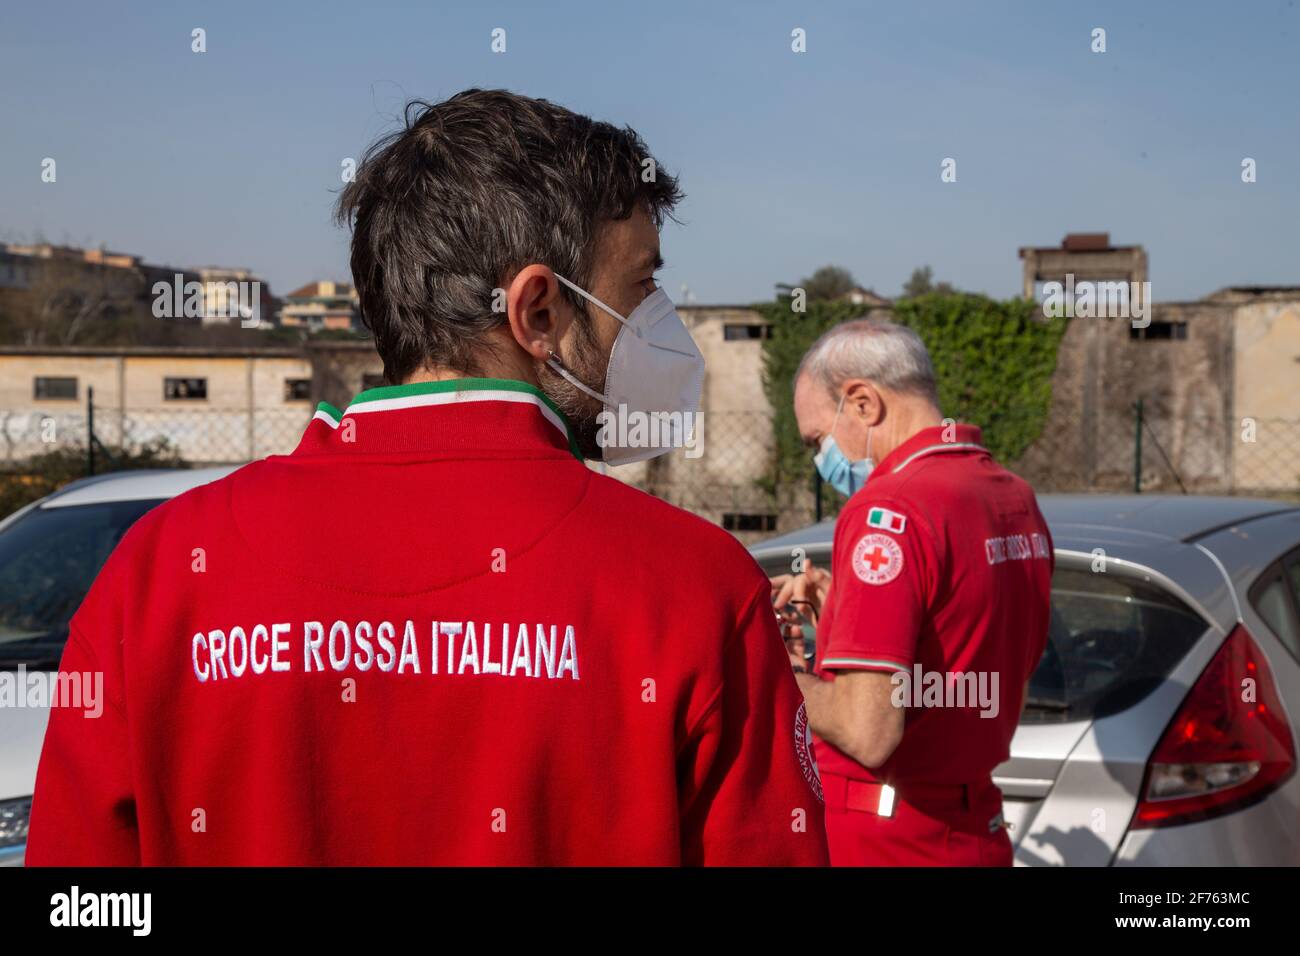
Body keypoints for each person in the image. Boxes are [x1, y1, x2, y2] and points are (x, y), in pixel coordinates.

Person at [26, 89, 828, 866]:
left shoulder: (157, 573)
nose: (658, 327)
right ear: (538, 312)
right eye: (642, 288)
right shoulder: (694, 586)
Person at [772, 319, 1052, 866]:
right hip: (974, 829)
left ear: (862, 403)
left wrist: (776, 666)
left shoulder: (888, 511)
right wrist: (843, 610)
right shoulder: (1011, 495)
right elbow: (963, 640)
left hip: (887, 836)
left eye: (817, 441)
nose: (819, 460)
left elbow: (867, 730)